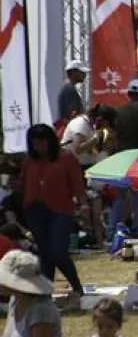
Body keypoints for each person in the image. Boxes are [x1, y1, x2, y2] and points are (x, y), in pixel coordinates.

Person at [20, 123, 86, 294]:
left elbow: (77, 183)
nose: (39, 147)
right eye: (35, 144)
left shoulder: (66, 158)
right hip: (34, 209)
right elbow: (23, 182)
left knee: (58, 251)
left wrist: (83, 203)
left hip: (60, 209)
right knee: (44, 253)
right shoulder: (29, 161)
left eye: (42, 143)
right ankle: (45, 292)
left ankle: (76, 285)